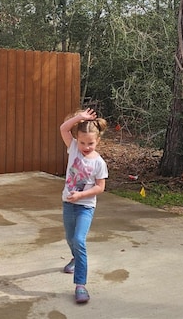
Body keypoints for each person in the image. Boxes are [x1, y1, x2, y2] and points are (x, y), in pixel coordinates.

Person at [59, 108, 108, 304]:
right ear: (76, 140)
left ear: (98, 142)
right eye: (82, 143)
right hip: (68, 205)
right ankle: (75, 259)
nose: (86, 147)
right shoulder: (72, 149)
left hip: (85, 207)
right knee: (71, 239)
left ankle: (81, 285)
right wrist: (80, 118)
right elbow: (63, 128)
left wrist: (81, 194)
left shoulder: (99, 163)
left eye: (91, 143)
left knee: (79, 240)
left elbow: (100, 187)